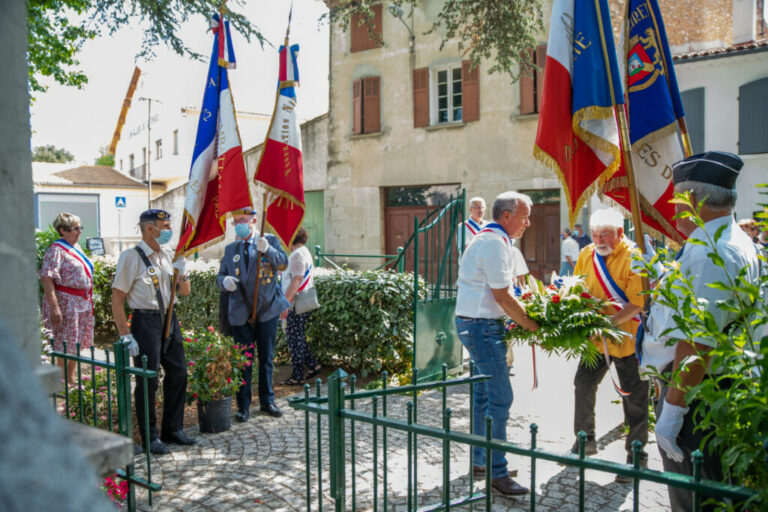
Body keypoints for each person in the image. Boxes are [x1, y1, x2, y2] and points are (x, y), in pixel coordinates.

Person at [639, 152, 760, 511]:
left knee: (695, 499)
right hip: (704, 391)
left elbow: (697, 343)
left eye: (677, 199)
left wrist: (673, 410)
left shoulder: (709, 252)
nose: (674, 208)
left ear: (693, 200)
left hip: (696, 398)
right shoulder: (731, 241)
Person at [455, 191, 539, 497]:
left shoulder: (492, 239)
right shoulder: (492, 242)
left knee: (483, 396)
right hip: (481, 326)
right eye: (525, 216)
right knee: (500, 398)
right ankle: (497, 472)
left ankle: (482, 461)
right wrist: (533, 324)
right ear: (506, 216)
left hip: (476, 323)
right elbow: (502, 296)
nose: (528, 223)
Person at [569, 208, 648, 482]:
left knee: (634, 399)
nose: (599, 239)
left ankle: (636, 458)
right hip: (596, 339)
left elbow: (638, 303)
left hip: (628, 339)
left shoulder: (635, 257)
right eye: (594, 233)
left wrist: (610, 323)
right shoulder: (587, 253)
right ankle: (584, 441)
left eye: (605, 234)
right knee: (583, 384)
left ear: (620, 234)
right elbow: (576, 288)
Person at [111, 209, 194, 455]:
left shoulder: (168, 255)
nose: (169, 230)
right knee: (148, 380)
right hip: (145, 321)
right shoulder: (131, 257)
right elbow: (117, 299)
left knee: (179, 372)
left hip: (170, 318)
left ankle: (173, 428)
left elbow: (185, 292)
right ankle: (149, 436)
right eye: (165, 226)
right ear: (150, 228)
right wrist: (125, 334)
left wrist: (183, 270)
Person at [217, 208, 289, 422]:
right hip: (241, 313)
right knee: (244, 362)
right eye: (235, 221)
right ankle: (243, 406)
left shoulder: (270, 241)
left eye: (243, 220)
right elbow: (220, 276)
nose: (239, 224)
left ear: (254, 220)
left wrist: (268, 251)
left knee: (266, 358)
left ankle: (267, 401)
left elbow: (282, 263)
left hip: (266, 310)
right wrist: (224, 282)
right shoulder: (231, 250)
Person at [39, 212, 95, 386]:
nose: (79, 232)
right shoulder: (56, 250)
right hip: (66, 303)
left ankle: (70, 379)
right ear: (62, 230)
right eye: (74, 228)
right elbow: (47, 279)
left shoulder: (76, 247)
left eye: (80, 228)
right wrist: (54, 308)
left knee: (76, 344)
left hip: (81, 302)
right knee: (65, 344)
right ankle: (62, 382)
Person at [280, 227, 322, 386]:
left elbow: (296, 279)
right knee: (298, 336)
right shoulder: (303, 251)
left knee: (294, 338)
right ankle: (313, 365)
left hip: (294, 302)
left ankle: (298, 375)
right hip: (300, 301)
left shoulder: (297, 254)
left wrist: (285, 302)